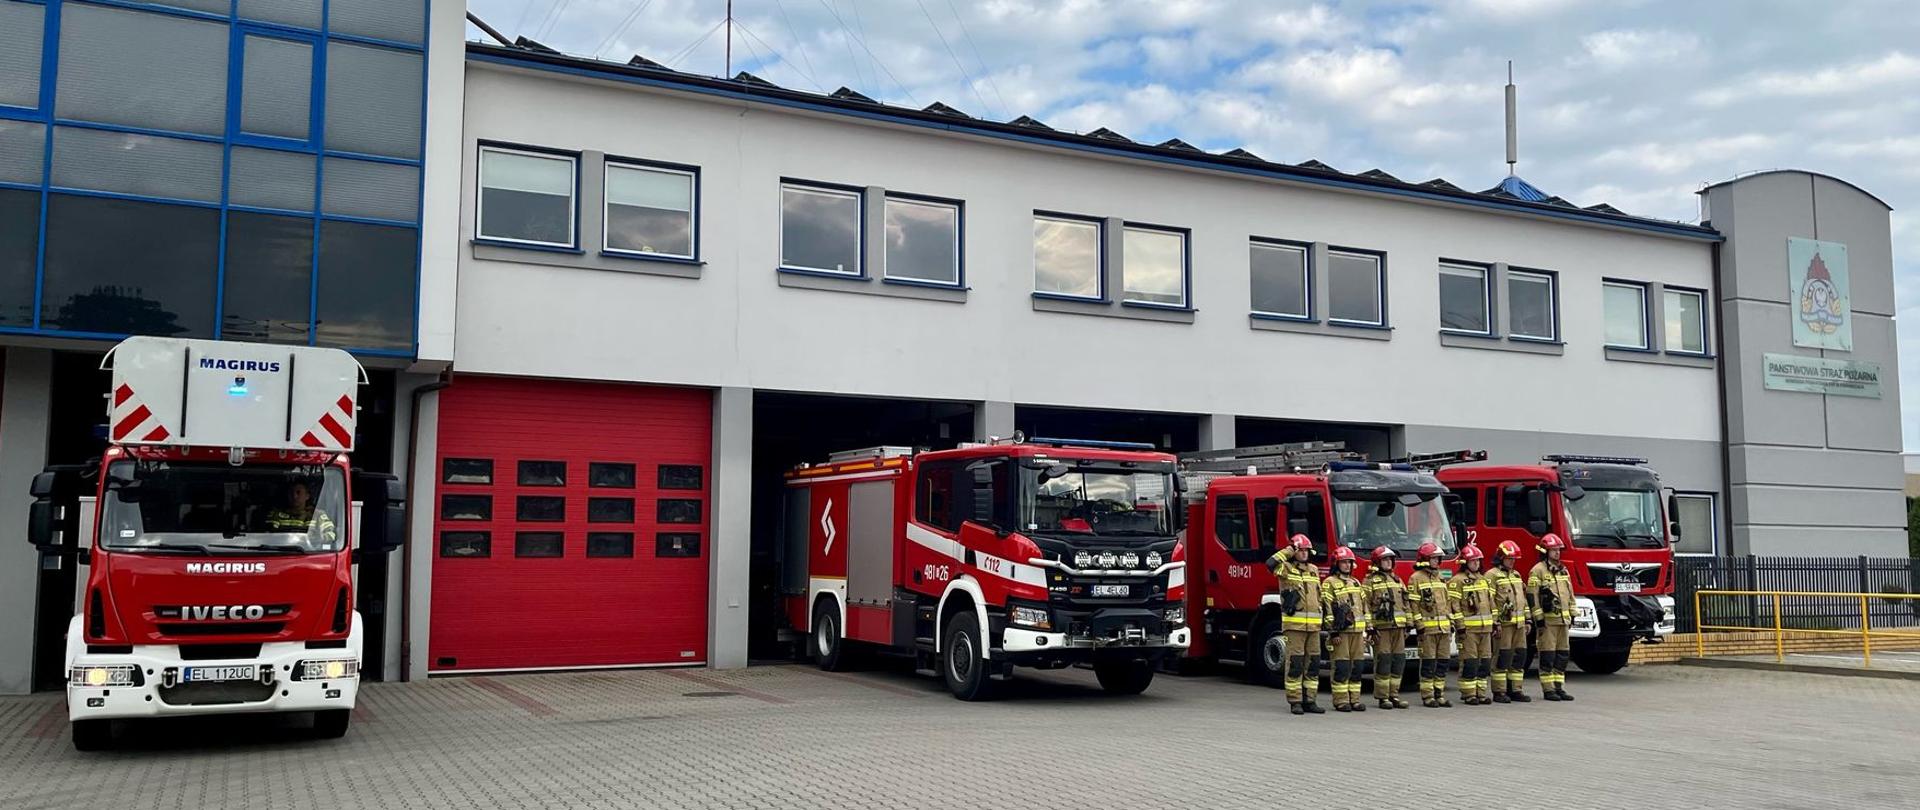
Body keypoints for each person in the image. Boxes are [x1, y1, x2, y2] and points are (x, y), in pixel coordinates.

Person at [1267, 534, 1325, 715]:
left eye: (1307, 550)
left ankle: (1310, 700)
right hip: (1294, 627)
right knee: (1295, 663)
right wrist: (1289, 549)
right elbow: (1270, 563)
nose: (1304, 553)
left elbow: (1319, 596)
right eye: (1301, 550)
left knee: (1313, 663)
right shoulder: (1285, 568)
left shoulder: (1314, 570)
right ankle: (1295, 701)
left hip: (1314, 627)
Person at [1406, 541, 1455, 708]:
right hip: (1427, 630)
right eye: (1433, 558)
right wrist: (1418, 624)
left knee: (1443, 662)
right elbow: (1414, 604)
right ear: (1425, 559)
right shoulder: (1416, 578)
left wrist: (1451, 621)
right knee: (1428, 663)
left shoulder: (1441, 577)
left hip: (1443, 629)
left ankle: (1439, 693)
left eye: (1438, 558)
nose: (1437, 561)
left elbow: (1447, 602)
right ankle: (1427, 696)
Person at [1529, 533, 1577, 701]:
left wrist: (1573, 613)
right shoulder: (1537, 571)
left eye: (1558, 550)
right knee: (1548, 655)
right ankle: (1548, 689)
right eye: (1553, 550)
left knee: (1562, 655)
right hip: (1548, 622)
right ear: (1545, 551)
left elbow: (1570, 594)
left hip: (1563, 622)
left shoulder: (1563, 570)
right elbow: (1532, 596)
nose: (1557, 553)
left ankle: (1559, 687)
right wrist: (1538, 618)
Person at [1321, 546, 1370, 712]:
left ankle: (1354, 700)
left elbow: (1364, 607)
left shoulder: (1356, 582)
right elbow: (1327, 609)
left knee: (1357, 667)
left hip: (1357, 632)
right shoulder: (1329, 583)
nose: (1347, 565)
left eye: (1350, 562)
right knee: (1341, 667)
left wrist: (1368, 629)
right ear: (1336, 564)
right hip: (1341, 633)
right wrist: (1333, 631)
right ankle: (1341, 701)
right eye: (1344, 562)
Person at [1364, 546, 1412, 710]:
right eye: (1385, 559)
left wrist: (1408, 624)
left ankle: (1394, 695)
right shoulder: (1370, 582)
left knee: (1398, 661)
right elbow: (1366, 607)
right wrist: (1370, 628)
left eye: (1390, 559)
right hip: (1381, 629)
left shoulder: (1398, 580)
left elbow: (1406, 604)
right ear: (1377, 562)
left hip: (1398, 628)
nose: (1388, 562)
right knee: (1383, 662)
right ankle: (1383, 697)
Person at [1448, 544, 1495, 705]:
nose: (1475, 563)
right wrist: (1460, 626)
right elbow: (1454, 606)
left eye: (1477, 561)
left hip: (1486, 629)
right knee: (1470, 662)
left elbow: (1491, 603)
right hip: (1468, 631)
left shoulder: (1483, 580)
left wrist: (1495, 623)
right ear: (1464, 562)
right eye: (1472, 561)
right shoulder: (1457, 581)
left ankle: (1480, 693)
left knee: (1485, 662)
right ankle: (1468, 694)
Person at [1489, 540, 1533, 704]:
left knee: (1518, 657)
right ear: (1501, 557)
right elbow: (1490, 601)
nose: (1512, 561)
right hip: (1504, 625)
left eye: (1514, 559)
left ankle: (1516, 689)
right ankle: (1499, 691)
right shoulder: (1492, 575)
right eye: (1509, 558)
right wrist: (1495, 623)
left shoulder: (1516, 576)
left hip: (1519, 625)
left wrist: (1528, 620)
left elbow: (1523, 600)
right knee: (1502, 657)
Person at [265, 480, 336, 544]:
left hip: (309, 553)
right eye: (291, 493)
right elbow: (268, 536)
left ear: (307, 496)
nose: (294, 496)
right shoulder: (276, 514)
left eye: (298, 492)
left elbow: (331, 535)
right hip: (282, 552)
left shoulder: (318, 515)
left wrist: (315, 539)